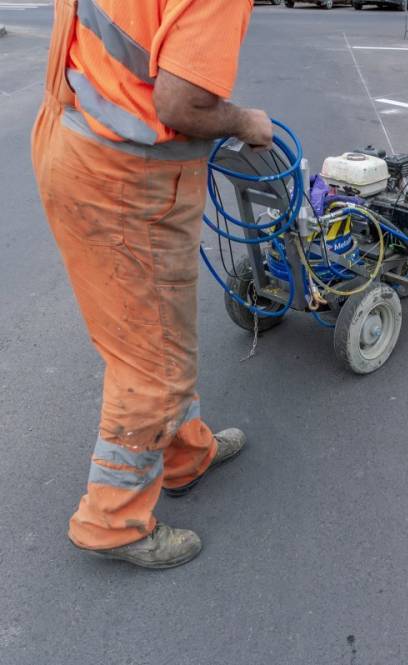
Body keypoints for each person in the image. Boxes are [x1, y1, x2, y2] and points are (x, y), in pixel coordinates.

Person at [32, 0, 273, 568]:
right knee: (152, 363)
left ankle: (184, 456)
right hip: (125, 177)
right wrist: (244, 121)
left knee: (157, 332)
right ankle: (112, 521)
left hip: (76, 141)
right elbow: (180, 102)